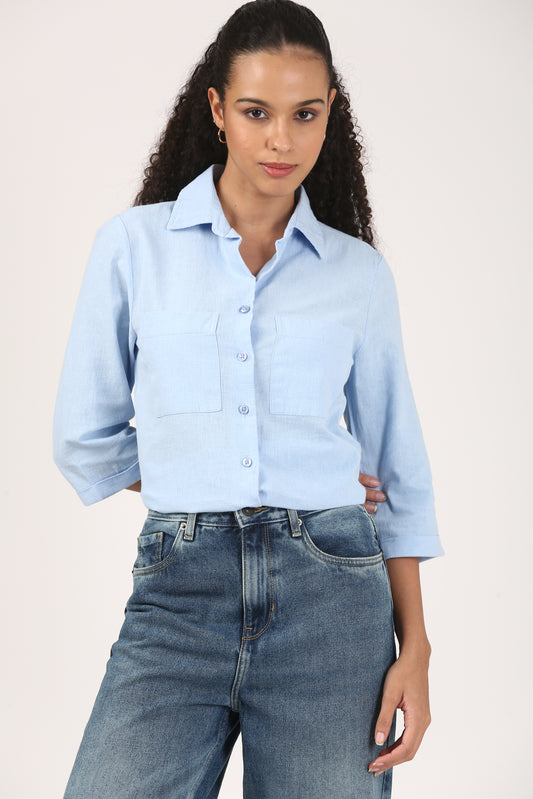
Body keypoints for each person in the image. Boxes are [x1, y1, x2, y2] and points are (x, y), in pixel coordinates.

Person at [52, 1, 445, 796]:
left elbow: (397, 474)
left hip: (333, 599)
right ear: (216, 109)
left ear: (329, 112)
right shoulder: (133, 248)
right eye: (256, 112)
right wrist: (201, 462)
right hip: (178, 591)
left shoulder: (357, 274)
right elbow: (85, 436)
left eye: (305, 114)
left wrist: (416, 650)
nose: (280, 140)